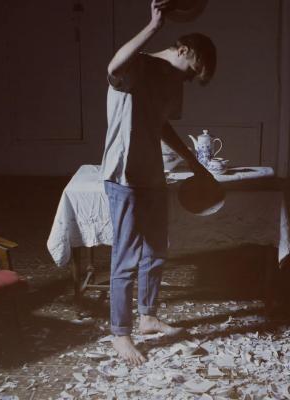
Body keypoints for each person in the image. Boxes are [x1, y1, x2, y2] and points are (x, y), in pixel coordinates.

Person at [100, 0, 217, 365]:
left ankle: (147, 317)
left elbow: (161, 124)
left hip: (152, 173)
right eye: (191, 71)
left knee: (156, 251)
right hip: (124, 173)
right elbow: (112, 67)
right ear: (184, 50)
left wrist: (194, 163)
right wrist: (153, 26)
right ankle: (120, 333)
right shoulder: (138, 65)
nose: (188, 80)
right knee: (126, 258)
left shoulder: (172, 80)